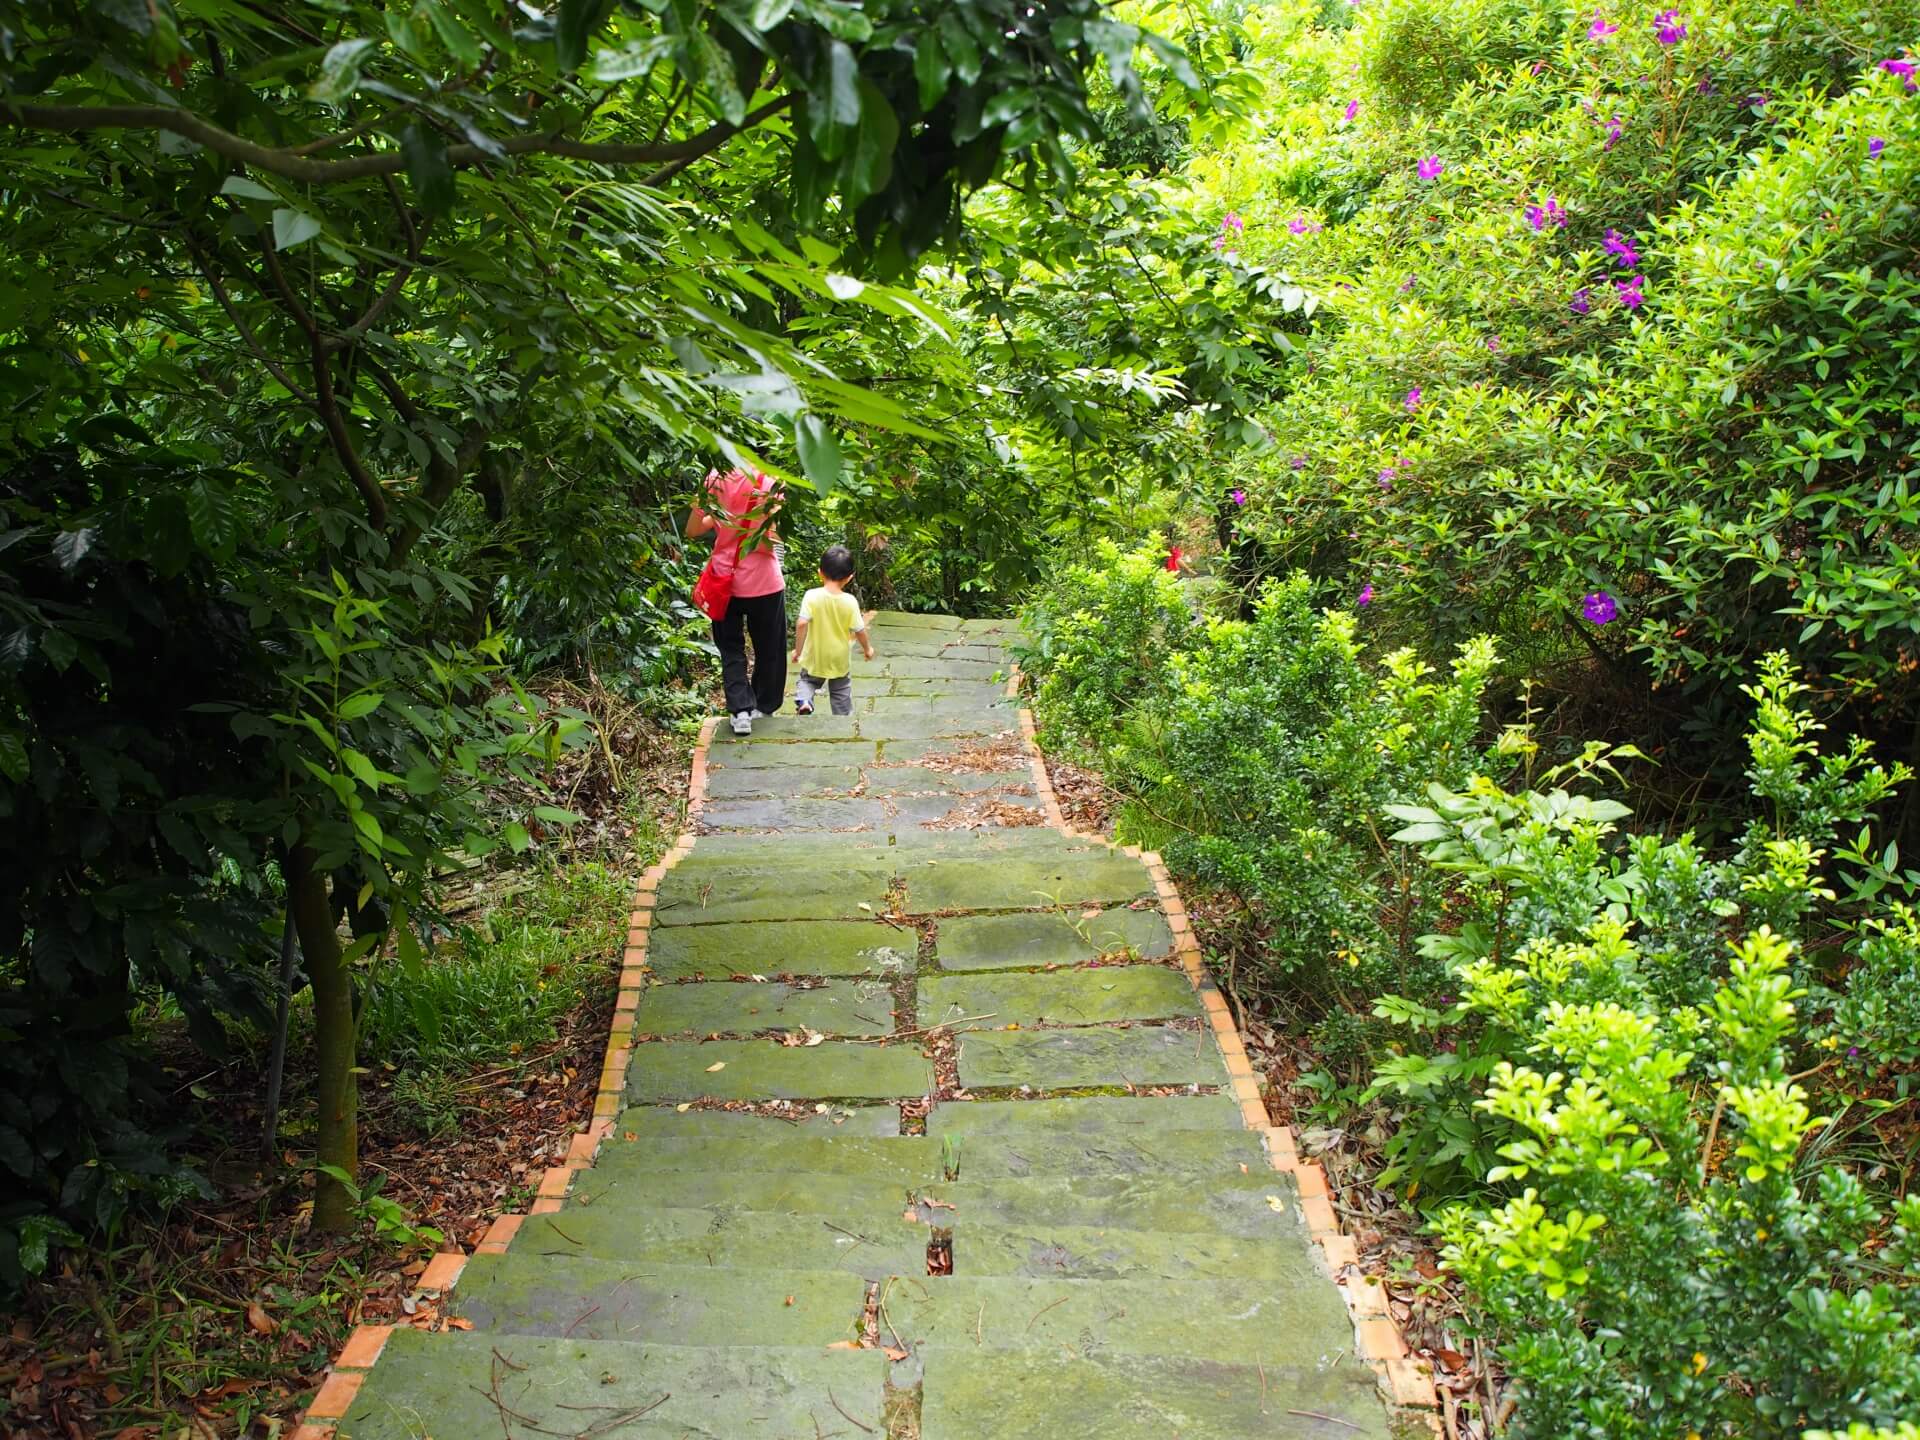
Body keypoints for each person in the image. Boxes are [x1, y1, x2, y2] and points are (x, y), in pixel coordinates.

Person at [686, 468, 787, 735]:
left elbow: (693, 529)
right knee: (769, 648)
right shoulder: (770, 481)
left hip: (724, 582)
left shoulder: (714, 478)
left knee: (731, 648)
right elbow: (771, 537)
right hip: (763, 581)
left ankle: (740, 711)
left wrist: (720, 520)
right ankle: (763, 707)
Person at [790, 544, 874, 716]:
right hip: (839, 657)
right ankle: (843, 719)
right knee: (841, 690)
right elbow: (859, 630)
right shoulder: (849, 601)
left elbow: (801, 624)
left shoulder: (811, 595)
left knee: (807, 680)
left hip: (815, 655)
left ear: (820, 572)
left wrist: (798, 651)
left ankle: (805, 701)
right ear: (849, 577)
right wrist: (867, 649)